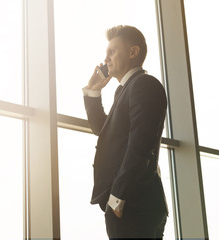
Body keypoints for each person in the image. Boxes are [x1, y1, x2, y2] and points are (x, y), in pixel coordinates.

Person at [83, 25, 168, 239]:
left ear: (132, 52)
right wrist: (93, 91)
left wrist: (117, 198)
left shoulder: (143, 85)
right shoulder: (126, 90)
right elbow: (102, 131)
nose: (106, 57)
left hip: (133, 203)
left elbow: (141, 145)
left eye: (112, 51)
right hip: (132, 203)